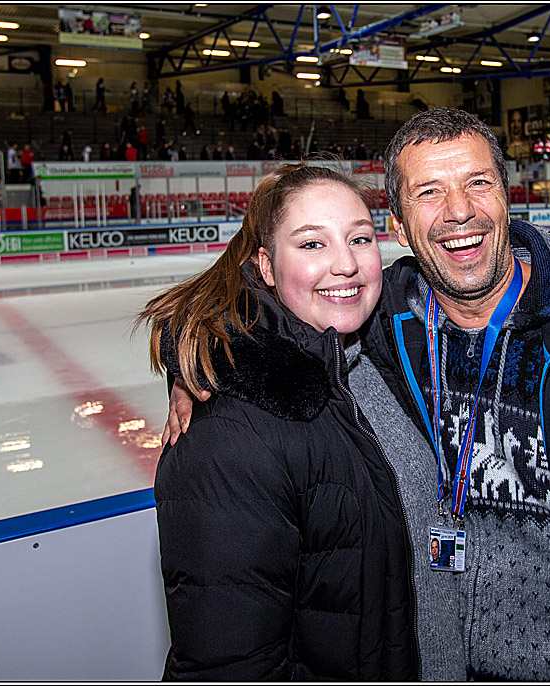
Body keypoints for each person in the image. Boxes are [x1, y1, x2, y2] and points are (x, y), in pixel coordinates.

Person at [166, 108, 550, 681]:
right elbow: (258, 315)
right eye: (428, 193)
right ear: (399, 224)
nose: (458, 212)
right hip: (438, 667)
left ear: (506, 197)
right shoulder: (379, 321)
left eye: (477, 183)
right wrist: (192, 359)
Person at [139, 163, 421, 679]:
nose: (346, 264)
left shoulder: (381, 348)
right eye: (312, 244)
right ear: (266, 266)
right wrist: (196, 354)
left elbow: (474, 268)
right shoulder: (230, 431)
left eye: (360, 238)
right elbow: (229, 663)